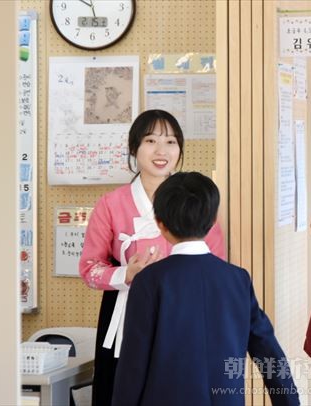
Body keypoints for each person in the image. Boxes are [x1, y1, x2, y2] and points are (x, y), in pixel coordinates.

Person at [112, 172, 300, 405]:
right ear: (212, 222)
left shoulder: (150, 281)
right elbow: (268, 349)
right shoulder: (237, 279)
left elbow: (134, 363)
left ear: (160, 224)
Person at [79, 110, 225, 406]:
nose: (162, 151)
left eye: (171, 142)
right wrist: (125, 274)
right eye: (151, 140)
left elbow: (217, 265)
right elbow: (89, 268)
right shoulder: (110, 204)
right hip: (126, 314)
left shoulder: (195, 199)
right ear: (135, 148)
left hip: (185, 314)